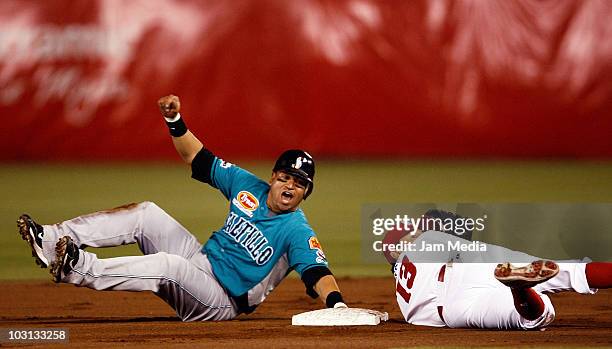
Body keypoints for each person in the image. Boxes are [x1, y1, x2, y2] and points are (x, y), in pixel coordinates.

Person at [17, 94, 347, 321]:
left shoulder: (297, 231)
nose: (291, 185)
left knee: (169, 266)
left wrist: (338, 303)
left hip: (220, 300)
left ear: (306, 192)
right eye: (287, 177)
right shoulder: (248, 185)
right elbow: (198, 159)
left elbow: (319, 273)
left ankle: (76, 268)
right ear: (274, 176)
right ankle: (49, 239)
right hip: (200, 261)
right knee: (146, 214)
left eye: (300, 183)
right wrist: (174, 119)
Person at [383, 211, 612, 330]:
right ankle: (519, 281)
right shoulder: (426, 240)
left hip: (455, 309)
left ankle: (520, 289)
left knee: (535, 318)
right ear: (397, 249)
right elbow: (457, 233)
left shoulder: (402, 297)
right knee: (572, 270)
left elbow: (425, 320)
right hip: (472, 263)